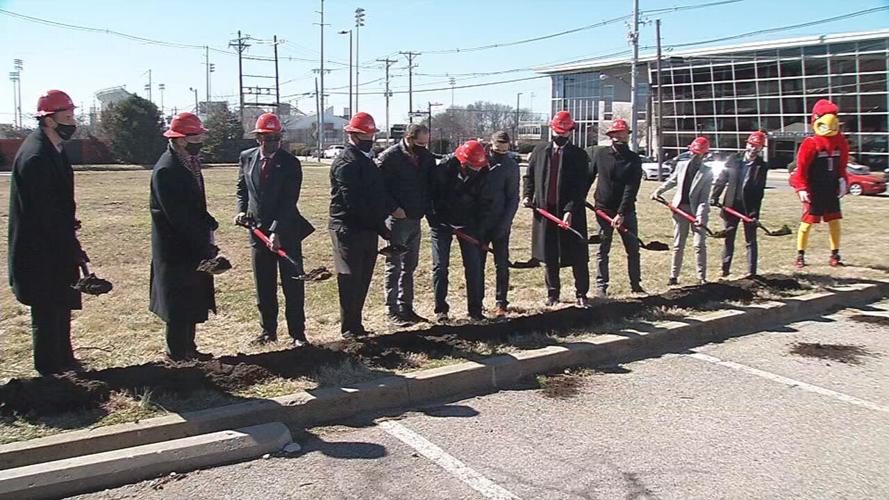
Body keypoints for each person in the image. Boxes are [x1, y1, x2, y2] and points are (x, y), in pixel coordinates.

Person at [8, 90, 86, 375]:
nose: (72, 122)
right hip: (39, 249)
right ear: (48, 120)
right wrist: (68, 244)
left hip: (55, 245)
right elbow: (44, 212)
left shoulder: (54, 149)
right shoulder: (36, 156)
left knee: (60, 304)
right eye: (67, 117)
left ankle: (65, 360)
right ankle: (50, 373)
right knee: (47, 309)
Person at [235, 113, 314, 347]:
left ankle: (298, 334)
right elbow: (242, 188)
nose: (273, 143)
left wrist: (276, 231)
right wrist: (241, 210)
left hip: (286, 230)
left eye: (277, 138)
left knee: (292, 284)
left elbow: (289, 200)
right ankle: (268, 331)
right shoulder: (246, 158)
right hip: (257, 231)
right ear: (258, 138)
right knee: (264, 284)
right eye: (268, 138)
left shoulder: (290, 163)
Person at [149, 112, 220, 361]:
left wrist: (208, 223)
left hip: (190, 245)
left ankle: (189, 348)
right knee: (178, 302)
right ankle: (177, 353)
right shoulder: (167, 170)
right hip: (176, 248)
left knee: (191, 299)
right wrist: (202, 243)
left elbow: (193, 205)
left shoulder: (188, 162)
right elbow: (178, 215)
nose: (200, 140)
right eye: (196, 136)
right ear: (180, 139)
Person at [329, 112, 391, 338]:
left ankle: (357, 325)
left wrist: (381, 225)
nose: (369, 139)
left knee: (364, 276)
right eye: (365, 135)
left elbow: (377, 195)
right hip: (347, 228)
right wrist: (382, 228)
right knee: (350, 277)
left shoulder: (367, 160)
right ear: (352, 135)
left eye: (371, 134)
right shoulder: (346, 163)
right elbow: (354, 202)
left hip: (368, 227)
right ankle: (348, 328)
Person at [522, 111, 593, 308]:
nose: (561, 135)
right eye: (558, 131)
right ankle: (553, 293)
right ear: (552, 128)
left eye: (565, 132)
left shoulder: (579, 155)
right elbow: (529, 177)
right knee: (549, 253)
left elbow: (580, 187)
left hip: (571, 211)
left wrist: (570, 210)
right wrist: (528, 195)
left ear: (571, 132)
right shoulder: (539, 151)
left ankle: (582, 293)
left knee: (577, 254)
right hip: (545, 211)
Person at [428, 140, 495, 321]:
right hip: (442, 224)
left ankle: (475, 310)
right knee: (440, 267)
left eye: (478, 166)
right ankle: (441, 310)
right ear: (462, 162)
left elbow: (485, 204)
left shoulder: (484, 172)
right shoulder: (443, 169)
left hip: (469, 224)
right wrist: (437, 219)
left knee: (474, 267)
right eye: (472, 166)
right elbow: (431, 197)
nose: (476, 169)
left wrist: (480, 233)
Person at [378, 123, 435, 325]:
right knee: (394, 264)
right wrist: (393, 208)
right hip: (397, 219)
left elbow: (429, 185)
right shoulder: (390, 157)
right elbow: (379, 187)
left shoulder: (426, 158)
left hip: (415, 217)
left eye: (425, 143)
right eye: (419, 143)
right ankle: (391, 309)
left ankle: (406, 306)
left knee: (410, 265)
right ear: (409, 139)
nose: (423, 147)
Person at [587, 118, 644, 297]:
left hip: (626, 211)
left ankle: (636, 285)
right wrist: (580, 197)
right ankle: (601, 286)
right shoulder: (600, 154)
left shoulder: (633, 159)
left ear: (627, 136)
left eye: (622, 134)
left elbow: (631, 188)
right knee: (602, 249)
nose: (618, 137)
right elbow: (589, 176)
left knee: (633, 248)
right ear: (610, 136)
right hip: (603, 209)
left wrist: (621, 213)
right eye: (615, 134)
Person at [789, 99, 849, 268]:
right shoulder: (811, 144)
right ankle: (800, 255)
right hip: (813, 190)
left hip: (831, 189)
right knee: (806, 223)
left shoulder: (840, 142)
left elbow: (842, 164)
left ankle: (835, 253)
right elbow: (801, 168)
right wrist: (801, 187)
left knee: (834, 221)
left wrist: (843, 179)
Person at [651, 136, 714, 286]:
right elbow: (672, 181)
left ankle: (701, 277)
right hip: (679, 209)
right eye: (693, 152)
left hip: (697, 211)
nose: (694, 156)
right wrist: (658, 191)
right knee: (678, 244)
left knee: (699, 244)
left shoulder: (707, 172)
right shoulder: (682, 165)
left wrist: (699, 217)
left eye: (698, 154)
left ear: (704, 155)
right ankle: (673, 276)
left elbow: (704, 199)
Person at [710, 131, 769, 278]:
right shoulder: (734, 159)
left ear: (761, 148)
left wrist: (754, 214)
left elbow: (759, 192)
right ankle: (725, 269)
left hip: (749, 208)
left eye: (758, 146)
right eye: (752, 145)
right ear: (747, 144)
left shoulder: (761, 166)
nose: (753, 148)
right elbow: (722, 179)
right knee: (729, 238)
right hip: (731, 205)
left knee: (751, 240)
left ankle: (751, 272)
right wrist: (715, 196)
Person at [483, 131, 520, 317]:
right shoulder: (480, 160)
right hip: (479, 222)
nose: (501, 153)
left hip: (500, 222)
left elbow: (513, 198)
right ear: (491, 144)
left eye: (505, 150)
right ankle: (476, 302)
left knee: (501, 263)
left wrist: (504, 224)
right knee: (476, 265)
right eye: (498, 150)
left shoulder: (511, 166)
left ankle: (501, 302)